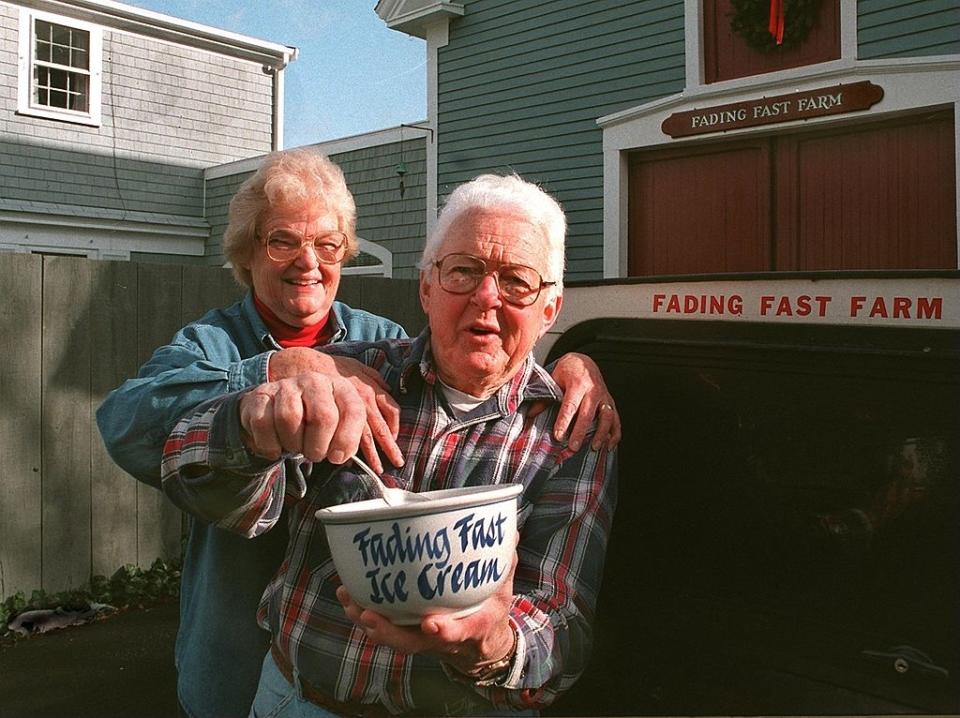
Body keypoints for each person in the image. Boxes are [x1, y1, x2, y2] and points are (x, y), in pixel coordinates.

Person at [96, 150, 621, 718]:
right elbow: (144, 434)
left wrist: (491, 643)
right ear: (427, 287)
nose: (486, 297)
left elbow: (562, 625)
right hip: (271, 672)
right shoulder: (294, 356)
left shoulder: (565, 430)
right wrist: (267, 392)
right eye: (463, 271)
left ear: (551, 308)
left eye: (517, 281)